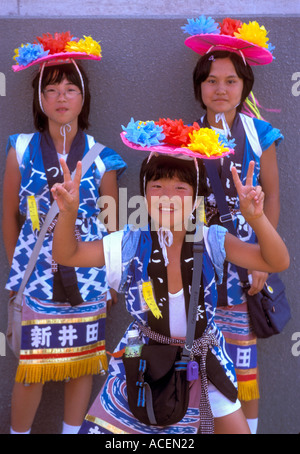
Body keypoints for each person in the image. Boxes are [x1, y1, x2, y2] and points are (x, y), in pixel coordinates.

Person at [51, 120, 289, 434]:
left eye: (180, 187)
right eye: (157, 186)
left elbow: (277, 260)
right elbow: (67, 255)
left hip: (201, 361)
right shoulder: (130, 242)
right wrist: (67, 214)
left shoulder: (211, 239)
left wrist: (257, 219)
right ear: (144, 193)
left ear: (195, 196)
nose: (168, 196)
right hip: (142, 360)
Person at [2, 32, 127, 434]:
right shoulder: (20, 149)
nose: (61, 98)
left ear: (83, 97)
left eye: (71, 89)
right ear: (39, 98)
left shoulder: (102, 154)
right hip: (35, 272)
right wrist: (14, 275)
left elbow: (114, 224)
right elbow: (8, 215)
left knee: (82, 363)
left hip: (88, 272)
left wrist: (111, 279)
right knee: (32, 367)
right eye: (51, 89)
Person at [182, 16, 283, 433]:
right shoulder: (184, 137)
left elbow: (273, 195)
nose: (220, 89)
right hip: (200, 267)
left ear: (245, 87)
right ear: (199, 87)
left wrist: (262, 260)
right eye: (211, 80)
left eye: (230, 81)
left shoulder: (260, 134)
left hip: (246, 270)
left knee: (242, 361)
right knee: (198, 361)